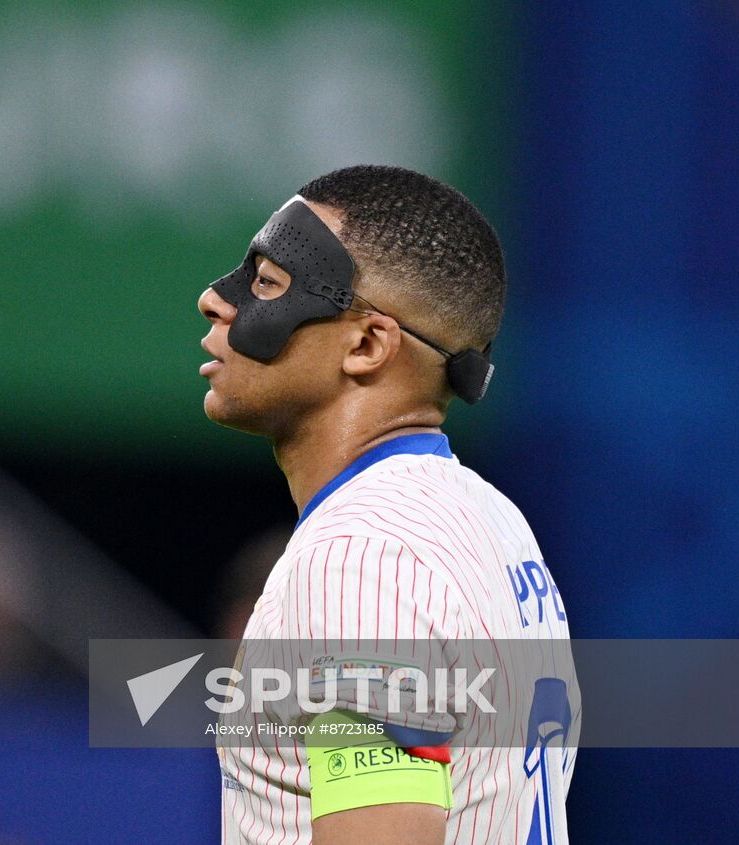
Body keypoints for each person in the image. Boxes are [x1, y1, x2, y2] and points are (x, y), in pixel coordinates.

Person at [198, 165, 575, 844]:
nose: (214, 300)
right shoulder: (496, 523)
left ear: (368, 343)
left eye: (267, 282)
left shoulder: (360, 557)